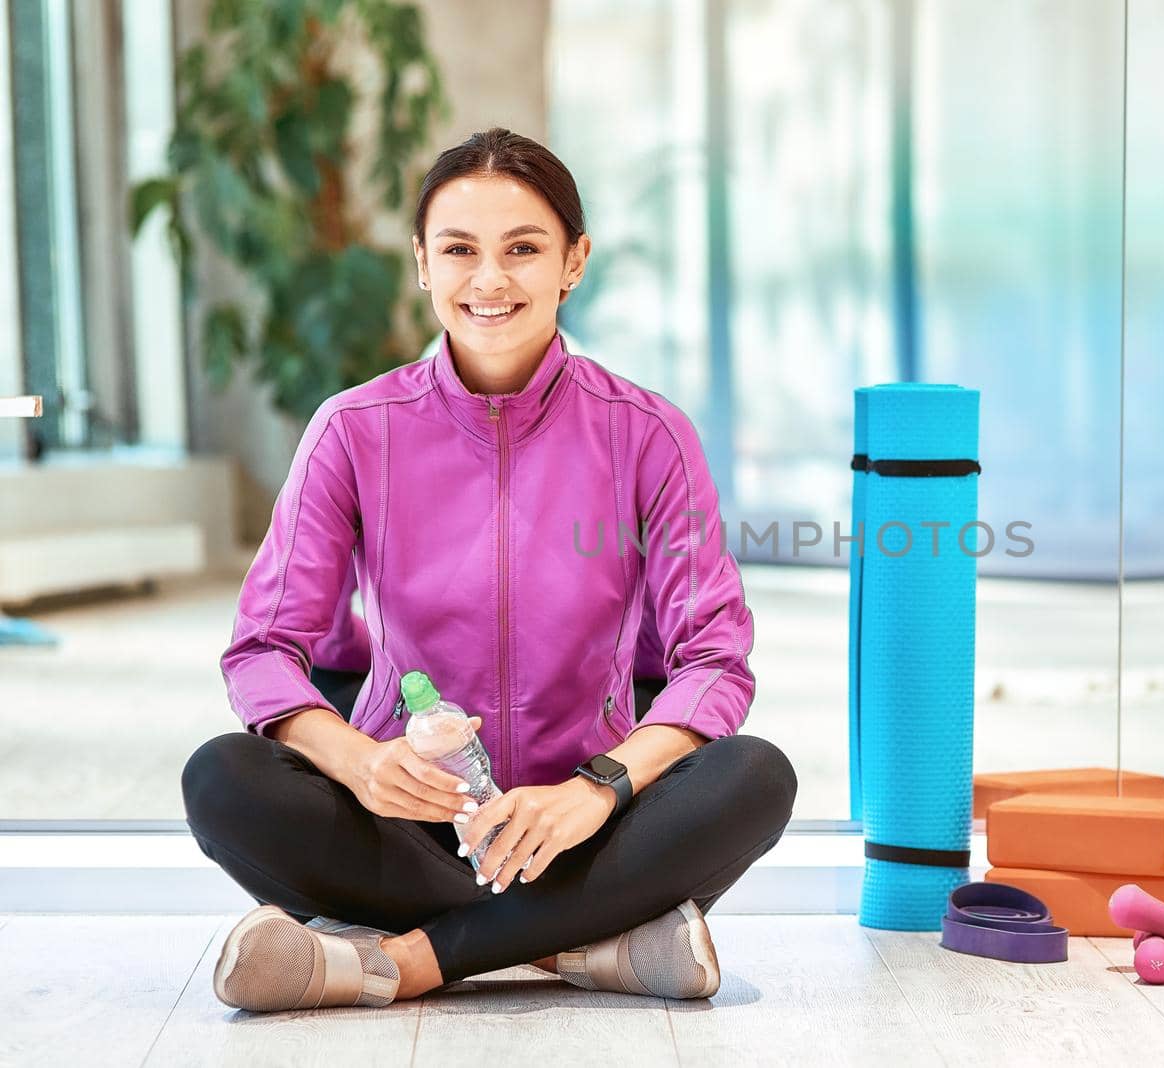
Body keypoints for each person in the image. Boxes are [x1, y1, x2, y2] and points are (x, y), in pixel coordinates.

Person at [181, 128, 797, 1013]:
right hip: (404, 825)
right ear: (424, 266)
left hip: (583, 827)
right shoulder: (355, 431)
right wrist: (359, 763)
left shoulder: (648, 434)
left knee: (756, 778)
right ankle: (582, 948)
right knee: (221, 778)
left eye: (524, 249)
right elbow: (264, 650)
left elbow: (713, 662)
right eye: (460, 250)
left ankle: (392, 962)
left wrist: (598, 790)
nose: (491, 280)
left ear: (573, 261)